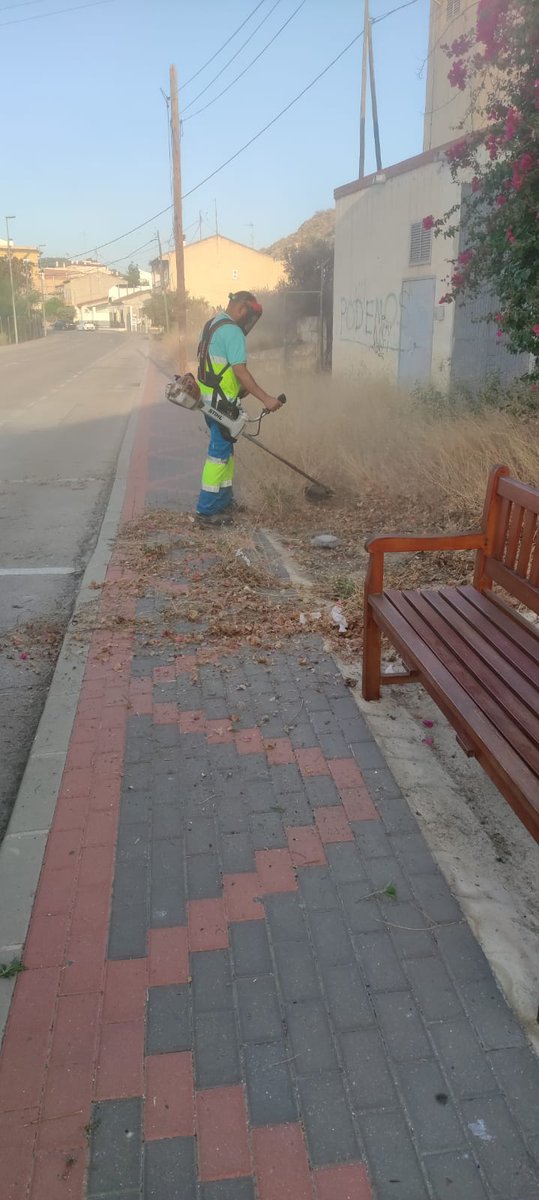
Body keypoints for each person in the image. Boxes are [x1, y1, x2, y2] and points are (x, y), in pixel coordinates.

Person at [195, 291, 282, 525]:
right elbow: (239, 370)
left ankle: (223, 501)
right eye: (250, 316)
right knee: (217, 456)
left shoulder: (212, 324)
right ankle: (206, 511)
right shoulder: (233, 331)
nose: (249, 323)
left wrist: (238, 390)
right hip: (221, 404)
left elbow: (214, 365)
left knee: (226, 453)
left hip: (209, 400)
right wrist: (266, 399)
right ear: (242, 309)